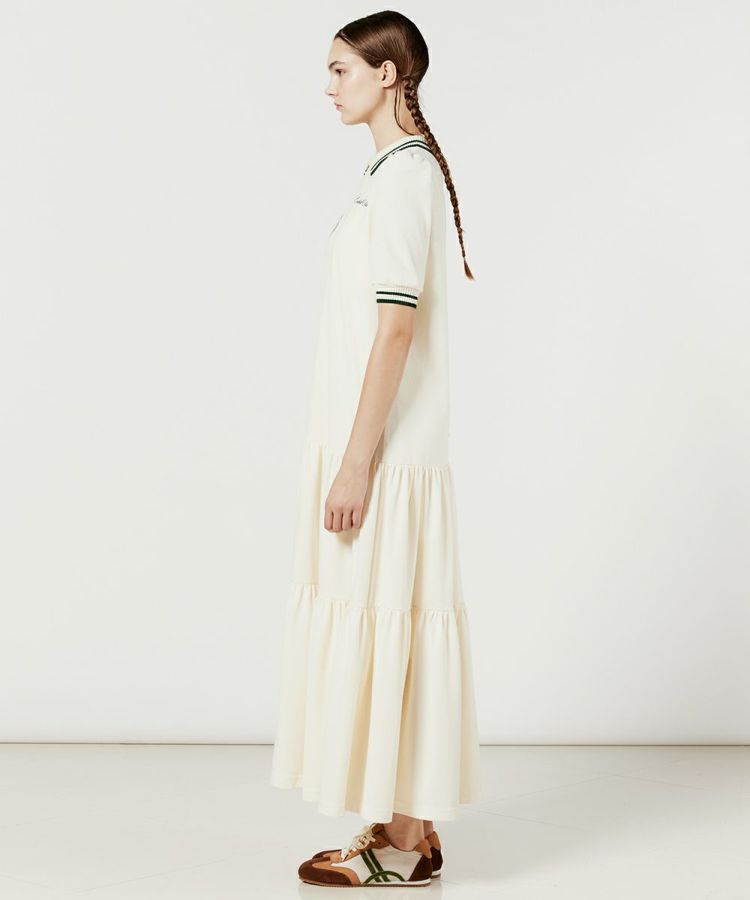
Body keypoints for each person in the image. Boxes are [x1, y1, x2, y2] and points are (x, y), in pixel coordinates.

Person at [269, 10, 481, 887]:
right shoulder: (391, 172)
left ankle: (401, 838)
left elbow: (397, 329)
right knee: (389, 622)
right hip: (373, 445)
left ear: (387, 74)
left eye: (340, 70)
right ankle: (406, 830)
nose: (327, 86)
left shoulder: (404, 177)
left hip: (385, 455)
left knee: (390, 622)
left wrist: (356, 463)